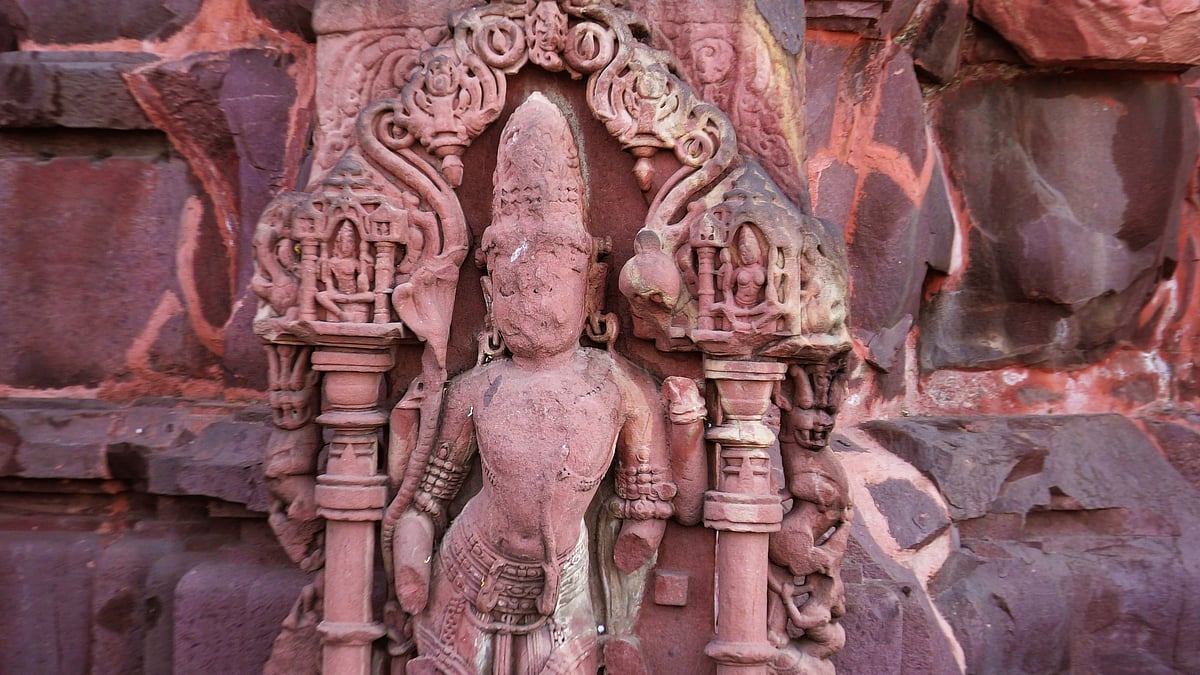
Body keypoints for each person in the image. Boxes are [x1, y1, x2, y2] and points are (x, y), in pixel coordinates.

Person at [387, 93, 675, 675]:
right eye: (515, 286)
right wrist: (411, 562)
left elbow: (655, 500)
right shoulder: (475, 390)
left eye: (551, 283)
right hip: (468, 575)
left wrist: (642, 531)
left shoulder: (618, 389)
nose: (532, 301)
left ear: (591, 287)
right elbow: (427, 501)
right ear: (490, 298)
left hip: (563, 585)